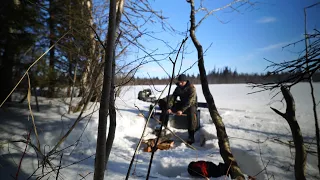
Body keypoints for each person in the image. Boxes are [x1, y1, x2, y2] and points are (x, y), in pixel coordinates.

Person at [159, 74, 198, 144]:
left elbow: (190, 101)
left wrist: (181, 110)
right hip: (182, 104)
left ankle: (191, 135)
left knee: (191, 112)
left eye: (182, 82)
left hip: (191, 105)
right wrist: (169, 107)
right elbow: (173, 98)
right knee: (165, 106)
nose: (180, 83)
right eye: (179, 82)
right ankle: (162, 128)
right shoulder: (178, 88)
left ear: (186, 81)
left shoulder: (192, 88)